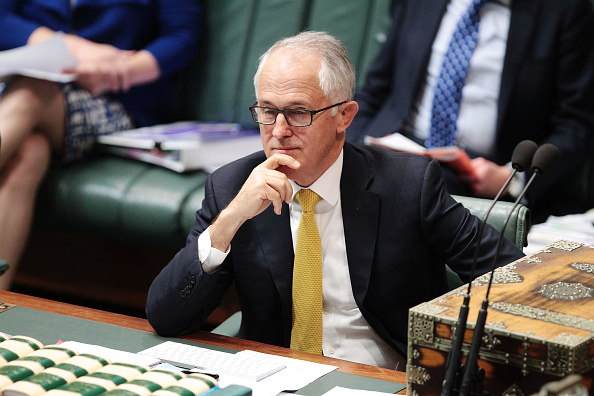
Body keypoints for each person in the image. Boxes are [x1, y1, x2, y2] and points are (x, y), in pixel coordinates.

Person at [145, 31, 524, 370]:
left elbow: (513, 280)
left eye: (297, 112)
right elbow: (165, 318)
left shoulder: (408, 184)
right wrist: (228, 222)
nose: (278, 131)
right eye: (267, 111)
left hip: (383, 377)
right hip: (277, 376)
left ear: (344, 116)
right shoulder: (233, 187)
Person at [0, 0, 201, 289]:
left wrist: (120, 72)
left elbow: (181, 36)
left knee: (29, 96)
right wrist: (77, 50)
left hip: (114, 97)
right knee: (29, 151)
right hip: (17, 80)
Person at [346, 0, 594, 224]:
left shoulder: (565, 10)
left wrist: (512, 178)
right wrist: (350, 147)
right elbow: (375, 90)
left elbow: (576, 124)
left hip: (478, 175)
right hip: (389, 149)